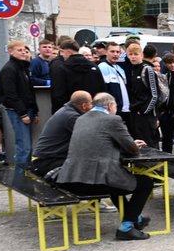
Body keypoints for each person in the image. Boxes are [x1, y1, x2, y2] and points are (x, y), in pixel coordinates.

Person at [56, 93, 154, 241]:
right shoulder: (112, 119)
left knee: (118, 179)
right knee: (145, 182)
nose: (117, 109)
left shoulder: (81, 119)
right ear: (109, 106)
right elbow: (132, 149)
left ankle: (136, 218)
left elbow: (99, 142)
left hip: (70, 179)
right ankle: (126, 228)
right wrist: (133, 144)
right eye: (116, 106)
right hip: (93, 182)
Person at [30, 91, 93, 176]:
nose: (92, 107)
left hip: (46, 160)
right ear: (84, 106)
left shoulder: (66, 110)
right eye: (91, 104)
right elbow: (91, 137)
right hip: (48, 162)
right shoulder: (72, 117)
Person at [0, 40, 40, 165]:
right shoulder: (9, 69)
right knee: (24, 147)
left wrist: (35, 111)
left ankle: (26, 172)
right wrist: (22, 113)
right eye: (19, 50)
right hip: (18, 112)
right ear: (11, 52)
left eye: (24, 50)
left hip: (27, 110)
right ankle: (20, 178)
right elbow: (10, 94)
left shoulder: (23, 67)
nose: (23, 52)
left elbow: (29, 92)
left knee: (27, 146)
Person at [50, 40, 106, 114]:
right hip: (93, 111)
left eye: (61, 52)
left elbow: (59, 94)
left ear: (68, 52)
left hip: (71, 113)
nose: (61, 55)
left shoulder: (63, 68)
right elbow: (102, 89)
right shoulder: (94, 67)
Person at [125, 43, 159, 148]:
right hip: (134, 113)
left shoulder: (147, 69)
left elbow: (154, 94)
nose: (133, 57)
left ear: (141, 55)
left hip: (146, 116)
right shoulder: (131, 70)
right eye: (130, 54)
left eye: (136, 54)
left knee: (149, 144)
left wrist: (144, 111)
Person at [98, 42, 131, 123]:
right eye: (112, 51)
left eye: (117, 52)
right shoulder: (102, 67)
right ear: (106, 52)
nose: (115, 54)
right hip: (112, 110)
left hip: (125, 110)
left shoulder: (120, 68)